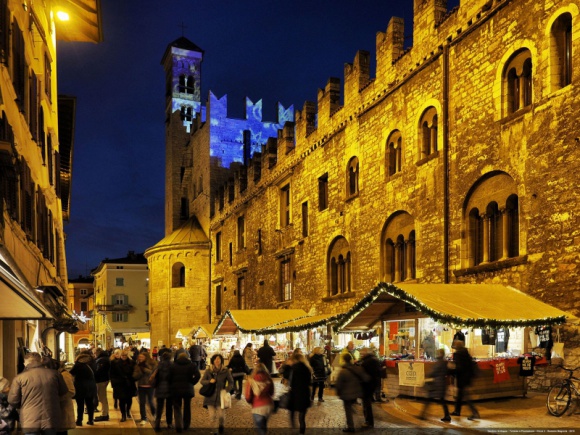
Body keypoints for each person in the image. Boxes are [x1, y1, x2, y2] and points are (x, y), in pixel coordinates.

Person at [8, 352, 68, 434]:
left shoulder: (19, 378)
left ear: (26, 362)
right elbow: (64, 392)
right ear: (40, 361)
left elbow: (12, 400)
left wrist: (23, 405)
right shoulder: (55, 374)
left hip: (29, 418)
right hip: (51, 416)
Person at [335, 353, 369, 432]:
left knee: (348, 410)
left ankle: (351, 427)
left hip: (347, 394)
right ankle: (358, 422)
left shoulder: (343, 371)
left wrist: (338, 392)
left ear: (344, 360)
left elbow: (338, 384)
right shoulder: (357, 368)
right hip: (357, 393)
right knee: (353, 407)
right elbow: (366, 378)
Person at [200, 354, 234, 435]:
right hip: (210, 397)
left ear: (221, 360)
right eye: (215, 359)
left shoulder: (226, 371)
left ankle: (221, 425)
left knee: (221, 416)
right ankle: (215, 432)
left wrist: (226, 390)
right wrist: (209, 381)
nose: (217, 360)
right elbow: (202, 381)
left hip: (220, 397)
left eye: (219, 359)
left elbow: (231, 382)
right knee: (212, 417)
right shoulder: (209, 371)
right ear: (213, 360)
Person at [170, 352, 201, 432]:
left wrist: (172, 384)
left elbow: (168, 377)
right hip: (188, 389)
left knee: (177, 407)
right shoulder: (192, 365)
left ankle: (179, 425)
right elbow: (198, 375)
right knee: (187, 407)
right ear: (187, 357)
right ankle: (186, 425)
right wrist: (192, 382)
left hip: (176, 389)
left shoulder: (173, 365)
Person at [282, 352, 312, 435]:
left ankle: (293, 428)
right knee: (302, 416)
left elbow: (288, 379)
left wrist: (287, 365)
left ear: (295, 360)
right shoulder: (307, 368)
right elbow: (309, 382)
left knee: (292, 411)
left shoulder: (293, 368)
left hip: (295, 393)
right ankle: (302, 431)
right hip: (305, 393)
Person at [450, 340, 480, 420]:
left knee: (466, 397)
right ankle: (457, 411)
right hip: (467, 377)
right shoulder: (466, 353)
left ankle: (475, 413)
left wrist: (451, 371)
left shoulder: (457, 354)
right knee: (460, 395)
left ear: (457, 346)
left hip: (462, 378)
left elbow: (459, 367)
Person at [419, 349, 451, 422]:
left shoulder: (439, 362)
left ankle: (423, 414)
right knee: (442, 400)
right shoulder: (444, 362)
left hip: (436, 384)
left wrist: (427, 374)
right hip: (442, 383)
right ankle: (447, 415)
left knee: (429, 399)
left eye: (438, 353)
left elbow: (433, 372)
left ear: (440, 354)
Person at [245, 363, 274, 435]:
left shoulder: (252, 380)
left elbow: (248, 397)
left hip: (258, 408)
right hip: (268, 405)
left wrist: (251, 401)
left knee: (260, 429)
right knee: (264, 426)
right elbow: (271, 392)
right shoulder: (269, 378)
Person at [69, 350, 98, 426]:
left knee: (80, 404)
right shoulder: (92, 363)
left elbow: (71, 373)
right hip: (91, 385)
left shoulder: (78, 365)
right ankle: (91, 420)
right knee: (90, 403)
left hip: (80, 386)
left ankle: (79, 420)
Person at [109, 349, 137, 422]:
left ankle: (128, 411)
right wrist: (114, 383)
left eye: (125, 355)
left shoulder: (132, 362)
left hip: (129, 383)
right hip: (120, 384)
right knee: (121, 400)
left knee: (129, 399)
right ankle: (123, 415)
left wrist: (133, 378)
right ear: (120, 356)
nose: (124, 357)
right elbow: (111, 374)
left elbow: (135, 372)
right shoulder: (114, 363)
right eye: (122, 355)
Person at [359, 348, 381, 429]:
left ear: (366, 353)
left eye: (362, 353)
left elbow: (364, 374)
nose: (361, 355)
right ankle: (369, 421)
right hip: (372, 384)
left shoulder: (367, 362)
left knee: (366, 404)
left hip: (367, 385)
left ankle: (369, 422)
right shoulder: (374, 359)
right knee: (367, 403)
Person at [133, 351, 157, 425]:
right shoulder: (137, 365)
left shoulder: (152, 364)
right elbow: (135, 376)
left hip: (150, 386)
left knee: (150, 401)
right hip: (141, 386)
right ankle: (143, 417)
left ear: (146, 357)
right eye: (139, 357)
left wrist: (144, 369)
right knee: (142, 403)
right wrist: (139, 372)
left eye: (142, 357)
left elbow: (152, 372)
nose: (140, 358)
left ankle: (154, 414)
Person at [153, 351, 174, 432]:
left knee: (159, 408)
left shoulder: (158, 365)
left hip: (160, 389)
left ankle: (157, 424)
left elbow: (154, 376)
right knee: (169, 407)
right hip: (170, 389)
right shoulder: (172, 365)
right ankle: (169, 423)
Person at [56, 362, 75, 435]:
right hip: (60, 407)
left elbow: (71, 391)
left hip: (63, 407)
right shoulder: (60, 374)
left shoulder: (64, 375)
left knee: (62, 430)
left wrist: (57, 399)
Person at [94, 349, 110, 422]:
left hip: (101, 380)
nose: (94, 354)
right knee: (102, 397)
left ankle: (105, 415)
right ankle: (104, 413)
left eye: (94, 353)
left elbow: (99, 371)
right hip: (102, 379)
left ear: (98, 352)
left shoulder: (102, 360)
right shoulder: (104, 358)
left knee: (102, 398)